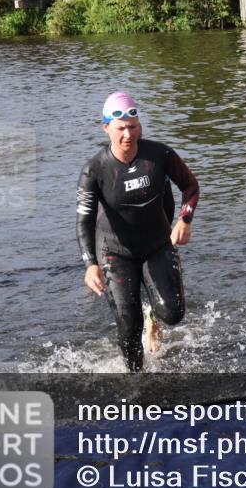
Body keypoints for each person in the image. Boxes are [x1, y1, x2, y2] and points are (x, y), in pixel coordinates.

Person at [76, 92, 199, 372]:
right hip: (115, 252)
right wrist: (90, 264)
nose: (128, 135)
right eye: (120, 128)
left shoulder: (159, 155)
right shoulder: (94, 170)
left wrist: (185, 219)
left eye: (133, 127)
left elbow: (190, 186)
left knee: (173, 313)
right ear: (106, 128)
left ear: (140, 126)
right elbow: (83, 220)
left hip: (156, 243)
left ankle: (154, 317)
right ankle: (138, 380)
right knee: (128, 325)